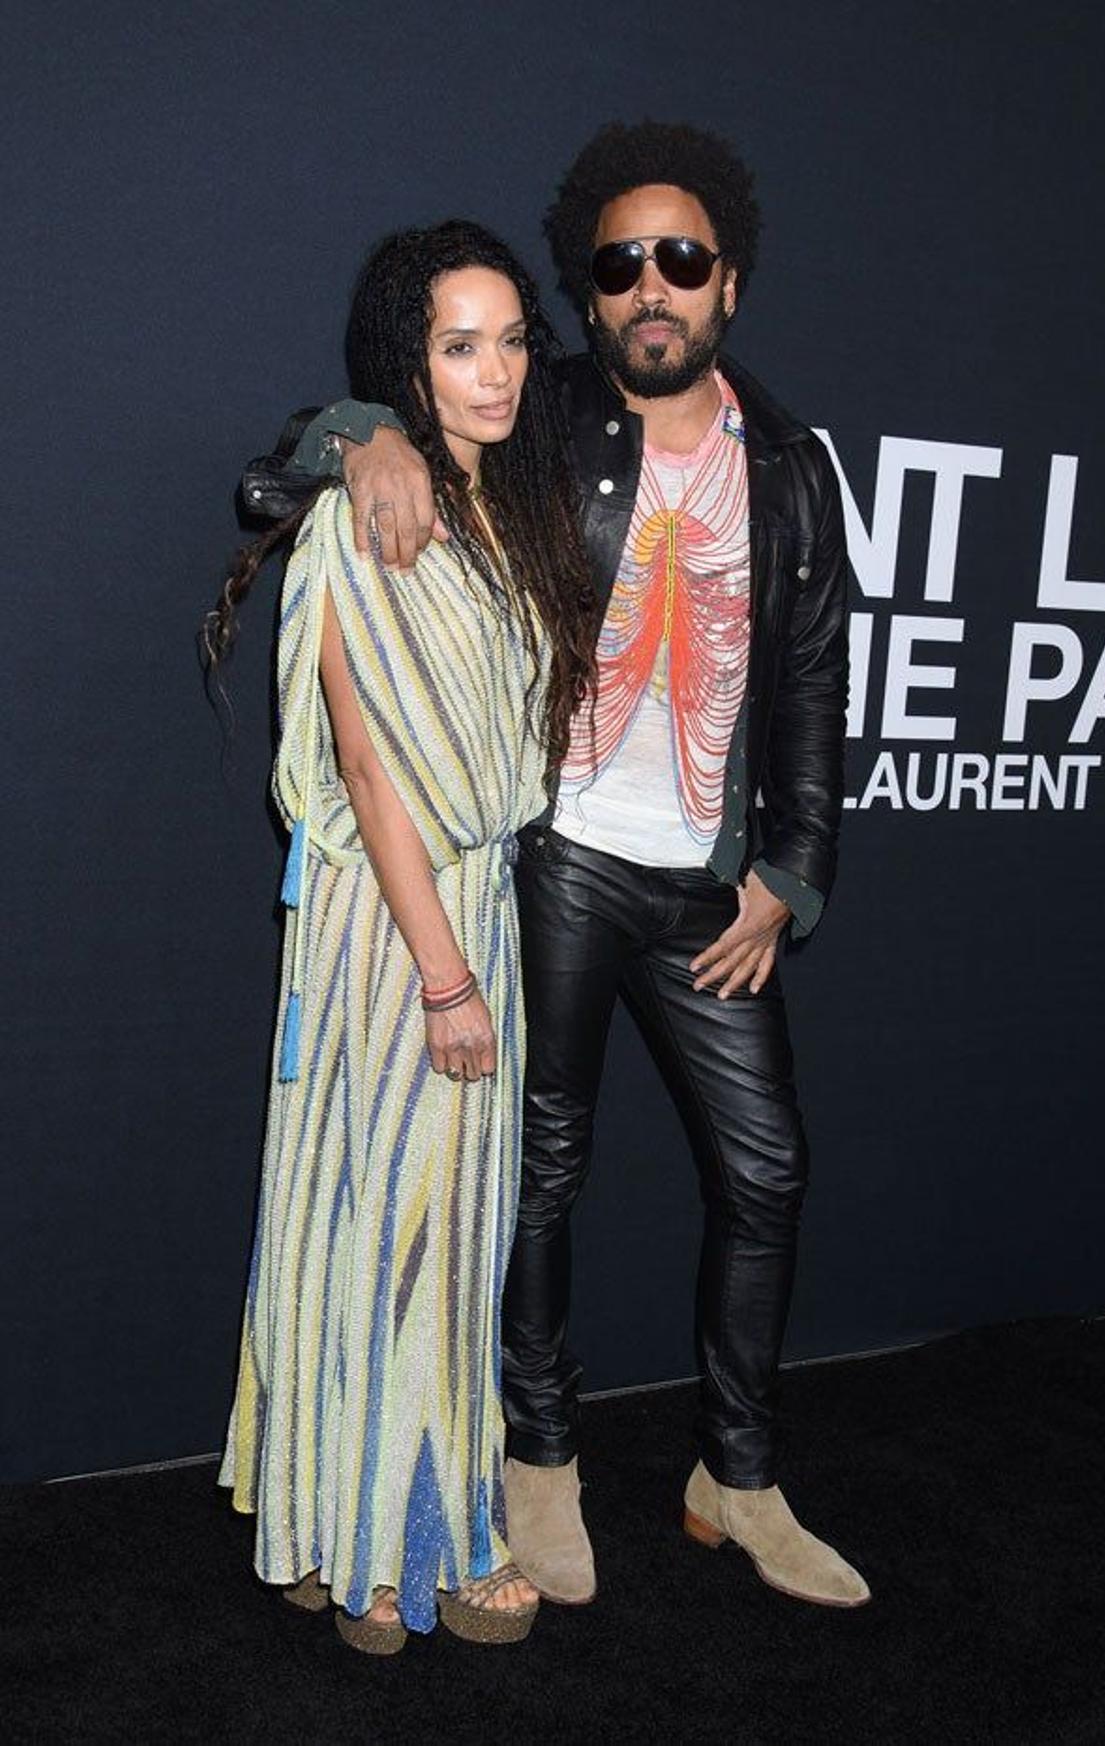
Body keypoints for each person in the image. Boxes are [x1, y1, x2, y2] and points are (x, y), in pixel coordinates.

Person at [243, 121, 870, 1611]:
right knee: (540, 1170)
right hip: (563, 860)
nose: (652, 285)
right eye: (619, 261)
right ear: (592, 290)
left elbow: (816, 686)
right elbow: (340, 437)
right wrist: (359, 426)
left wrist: (794, 865)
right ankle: (537, 1464)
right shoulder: (546, 415)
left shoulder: (791, 464)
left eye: (683, 260)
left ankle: (740, 1471)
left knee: (769, 1166)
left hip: (711, 880)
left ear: (731, 282)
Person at [206, 220, 595, 1653]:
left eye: (510, 340)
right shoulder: (380, 512)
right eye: (457, 344)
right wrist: (443, 975)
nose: (494, 372)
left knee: (395, 1228)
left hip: (466, 903)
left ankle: (341, 1527)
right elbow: (370, 766)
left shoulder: (492, 513)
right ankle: (397, 1552)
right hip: (399, 931)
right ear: (405, 365)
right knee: (395, 1232)